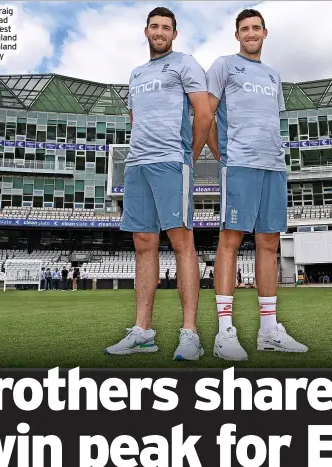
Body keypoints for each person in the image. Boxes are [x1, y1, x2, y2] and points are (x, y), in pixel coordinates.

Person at [105, 7, 213, 360]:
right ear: (146, 30)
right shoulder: (136, 74)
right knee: (142, 242)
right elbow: (136, 120)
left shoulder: (185, 64)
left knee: (181, 240)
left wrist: (190, 155)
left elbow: (204, 112)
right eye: (155, 26)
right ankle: (142, 332)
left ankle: (190, 333)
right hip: (138, 163)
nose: (160, 31)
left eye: (166, 27)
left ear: (174, 34)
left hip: (171, 160)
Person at [205, 8, 308, 361]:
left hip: (273, 166)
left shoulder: (273, 76)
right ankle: (225, 332)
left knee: (269, 243)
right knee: (230, 241)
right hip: (241, 165)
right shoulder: (223, 66)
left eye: (256, 28)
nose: (250, 33)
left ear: (265, 33)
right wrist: (224, 156)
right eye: (244, 29)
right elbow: (207, 116)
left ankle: (268, 330)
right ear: (237, 35)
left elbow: (270, 123)